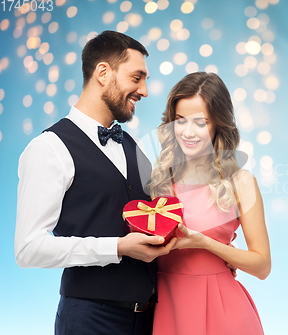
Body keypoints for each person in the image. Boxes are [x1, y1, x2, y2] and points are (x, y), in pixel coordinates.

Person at [14, 30, 177, 335]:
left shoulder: (135, 145)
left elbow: (159, 216)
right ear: (103, 72)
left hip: (151, 319)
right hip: (90, 320)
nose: (144, 90)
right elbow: (28, 249)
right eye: (137, 77)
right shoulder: (48, 148)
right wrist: (117, 247)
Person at [148, 72, 271, 335]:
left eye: (200, 123)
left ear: (218, 124)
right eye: (180, 121)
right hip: (165, 308)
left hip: (223, 313)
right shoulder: (157, 180)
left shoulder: (241, 182)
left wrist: (206, 244)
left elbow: (262, 266)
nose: (188, 132)